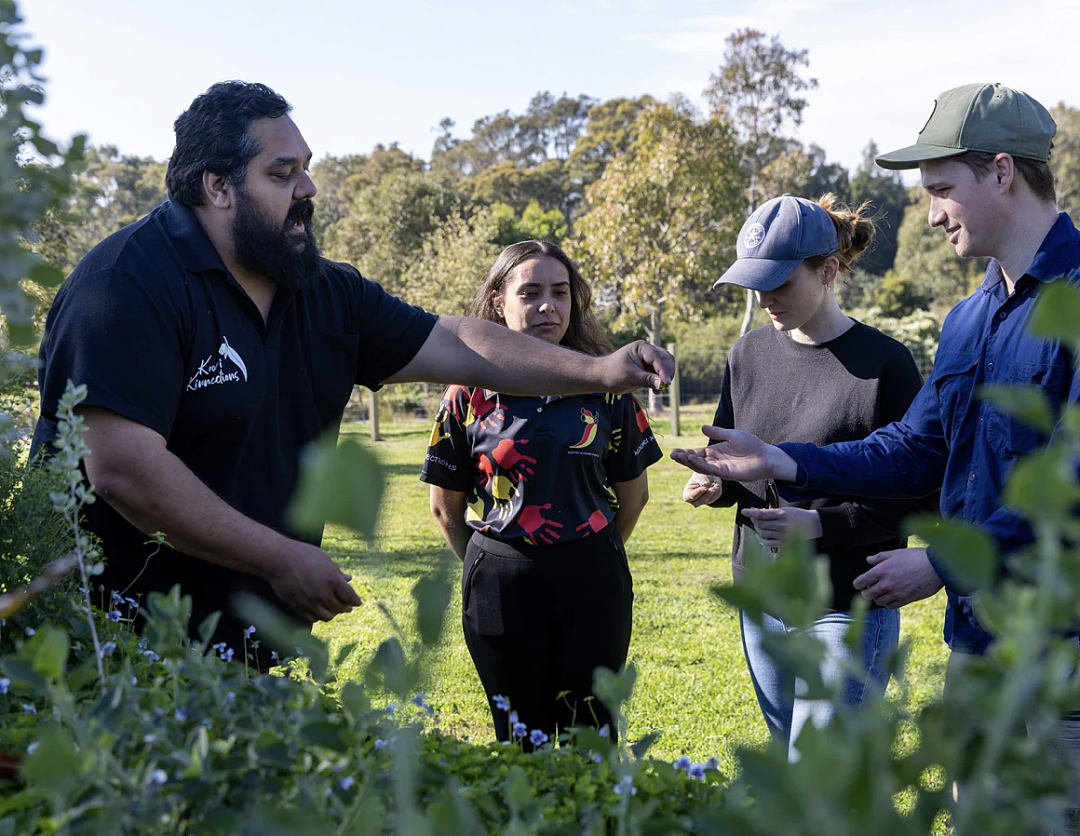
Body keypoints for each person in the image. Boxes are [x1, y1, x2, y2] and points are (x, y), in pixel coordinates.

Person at [29, 82, 672, 667]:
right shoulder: (126, 286)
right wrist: (280, 558)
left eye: (306, 169)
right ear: (216, 186)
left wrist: (598, 368)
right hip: (116, 648)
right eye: (282, 173)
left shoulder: (321, 290)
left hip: (259, 643)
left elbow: (455, 341)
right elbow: (122, 472)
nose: (306, 188)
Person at [670, 82, 1080, 809]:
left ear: (1003, 171)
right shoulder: (969, 320)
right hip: (978, 650)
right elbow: (915, 450)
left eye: (942, 189)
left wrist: (942, 562)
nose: (929, 214)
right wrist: (783, 461)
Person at [681, 193, 934, 760]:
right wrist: (718, 486)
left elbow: (920, 494)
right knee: (796, 779)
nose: (766, 299)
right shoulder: (745, 354)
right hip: (763, 596)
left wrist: (820, 525)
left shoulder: (886, 364)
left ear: (828, 270)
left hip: (847, 600)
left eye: (780, 283)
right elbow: (743, 462)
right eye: (756, 284)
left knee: (817, 769)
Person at [421, 240, 662, 744]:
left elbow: (633, 496)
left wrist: (589, 551)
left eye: (560, 291)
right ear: (497, 302)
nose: (547, 306)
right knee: (519, 740)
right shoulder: (466, 392)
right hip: (500, 586)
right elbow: (446, 508)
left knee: (592, 738)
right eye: (530, 293)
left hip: (594, 580)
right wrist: (494, 565)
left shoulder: (607, 385)